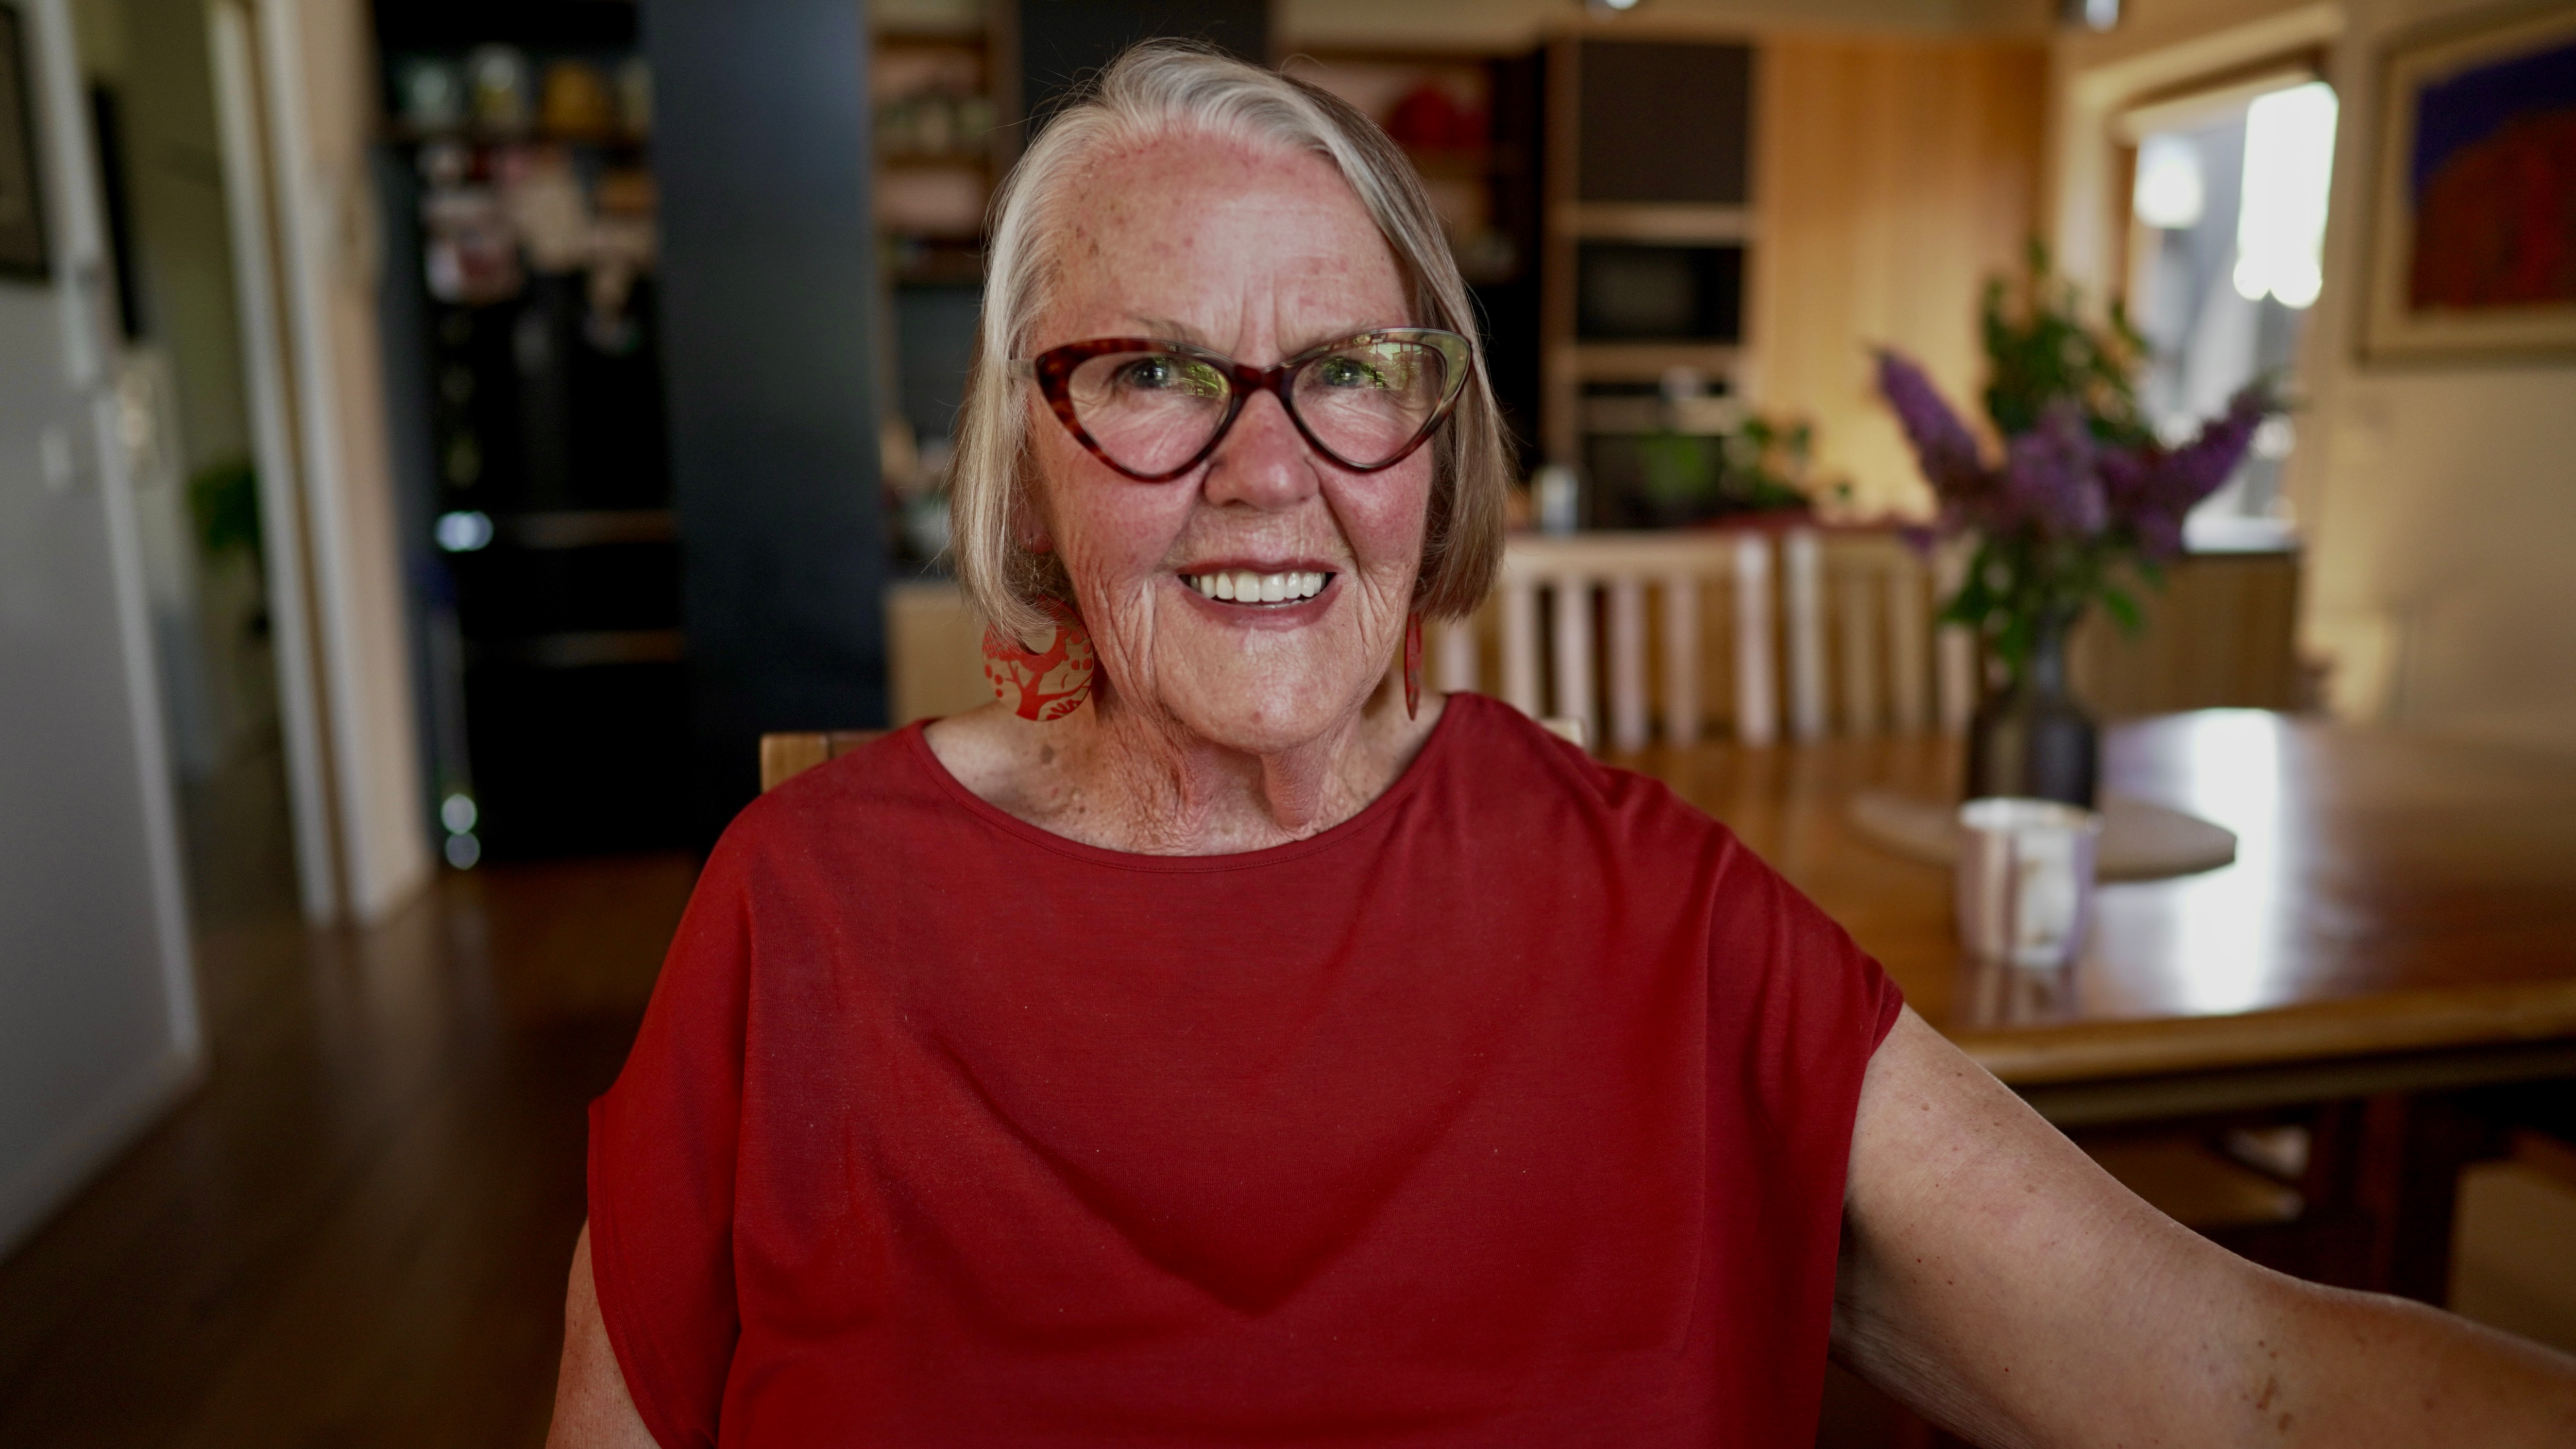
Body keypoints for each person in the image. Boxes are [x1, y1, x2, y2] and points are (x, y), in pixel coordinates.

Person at [549, 42, 2576, 1449]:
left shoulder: (1648, 906)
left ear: (1433, 453)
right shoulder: (802, 907)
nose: (1271, 468)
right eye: (1155, 372)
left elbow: (2229, 1375)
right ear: (1027, 458)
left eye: (1348, 371)